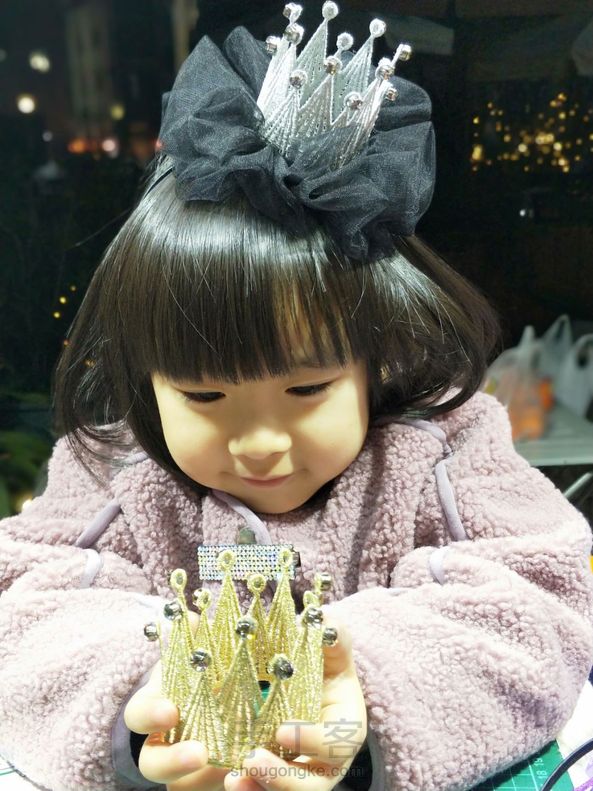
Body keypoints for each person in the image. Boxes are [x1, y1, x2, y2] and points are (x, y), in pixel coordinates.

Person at [1, 5, 593, 791]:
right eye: (204, 394)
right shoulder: (112, 466)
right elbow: (24, 605)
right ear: (146, 379)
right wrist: (137, 703)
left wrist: (369, 690)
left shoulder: (446, 444)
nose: (260, 443)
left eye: (307, 388)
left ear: (374, 359)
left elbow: (539, 595)